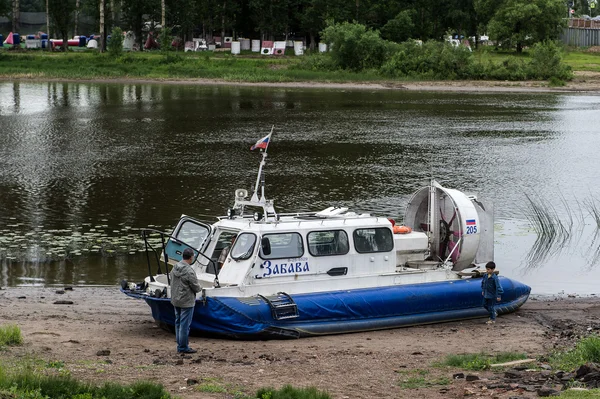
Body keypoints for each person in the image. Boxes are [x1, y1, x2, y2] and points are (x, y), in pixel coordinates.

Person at [171, 247, 202, 353]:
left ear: (182, 256)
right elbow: (196, 288)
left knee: (178, 322)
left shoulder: (174, 267)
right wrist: (200, 287)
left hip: (176, 299)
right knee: (185, 325)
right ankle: (183, 347)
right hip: (186, 301)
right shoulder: (189, 271)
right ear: (191, 257)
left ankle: (180, 345)